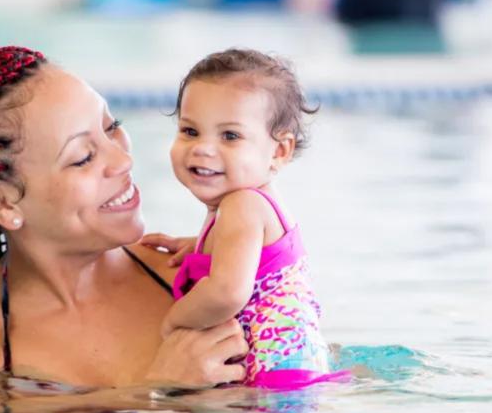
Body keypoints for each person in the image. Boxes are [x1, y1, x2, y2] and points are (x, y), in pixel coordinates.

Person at [0, 28, 248, 390]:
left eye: (112, 126)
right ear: (2, 202)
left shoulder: (203, 278)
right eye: (82, 157)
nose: (123, 160)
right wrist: (161, 390)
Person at [143, 49, 344, 390]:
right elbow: (255, 258)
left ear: (279, 151)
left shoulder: (242, 205)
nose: (203, 148)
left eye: (230, 136)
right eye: (190, 131)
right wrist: (200, 246)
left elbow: (227, 293)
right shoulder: (250, 207)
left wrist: (172, 325)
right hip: (293, 369)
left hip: (274, 382)